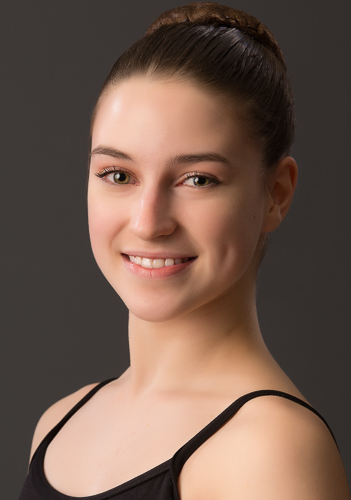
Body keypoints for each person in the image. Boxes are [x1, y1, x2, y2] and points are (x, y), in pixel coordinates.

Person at [19, 2, 350, 498]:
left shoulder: (272, 451)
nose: (148, 222)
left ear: (276, 194)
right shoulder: (58, 424)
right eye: (119, 175)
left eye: (198, 179)